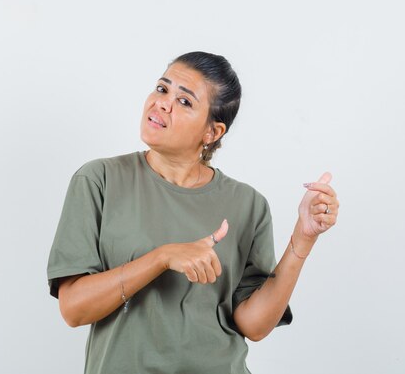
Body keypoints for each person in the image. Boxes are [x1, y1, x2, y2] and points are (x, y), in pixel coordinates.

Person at [47, 51, 339, 374]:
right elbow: (73, 308)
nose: (163, 103)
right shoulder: (99, 180)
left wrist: (302, 239)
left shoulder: (248, 205)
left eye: (184, 102)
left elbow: (253, 325)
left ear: (212, 133)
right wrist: (163, 257)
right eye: (162, 89)